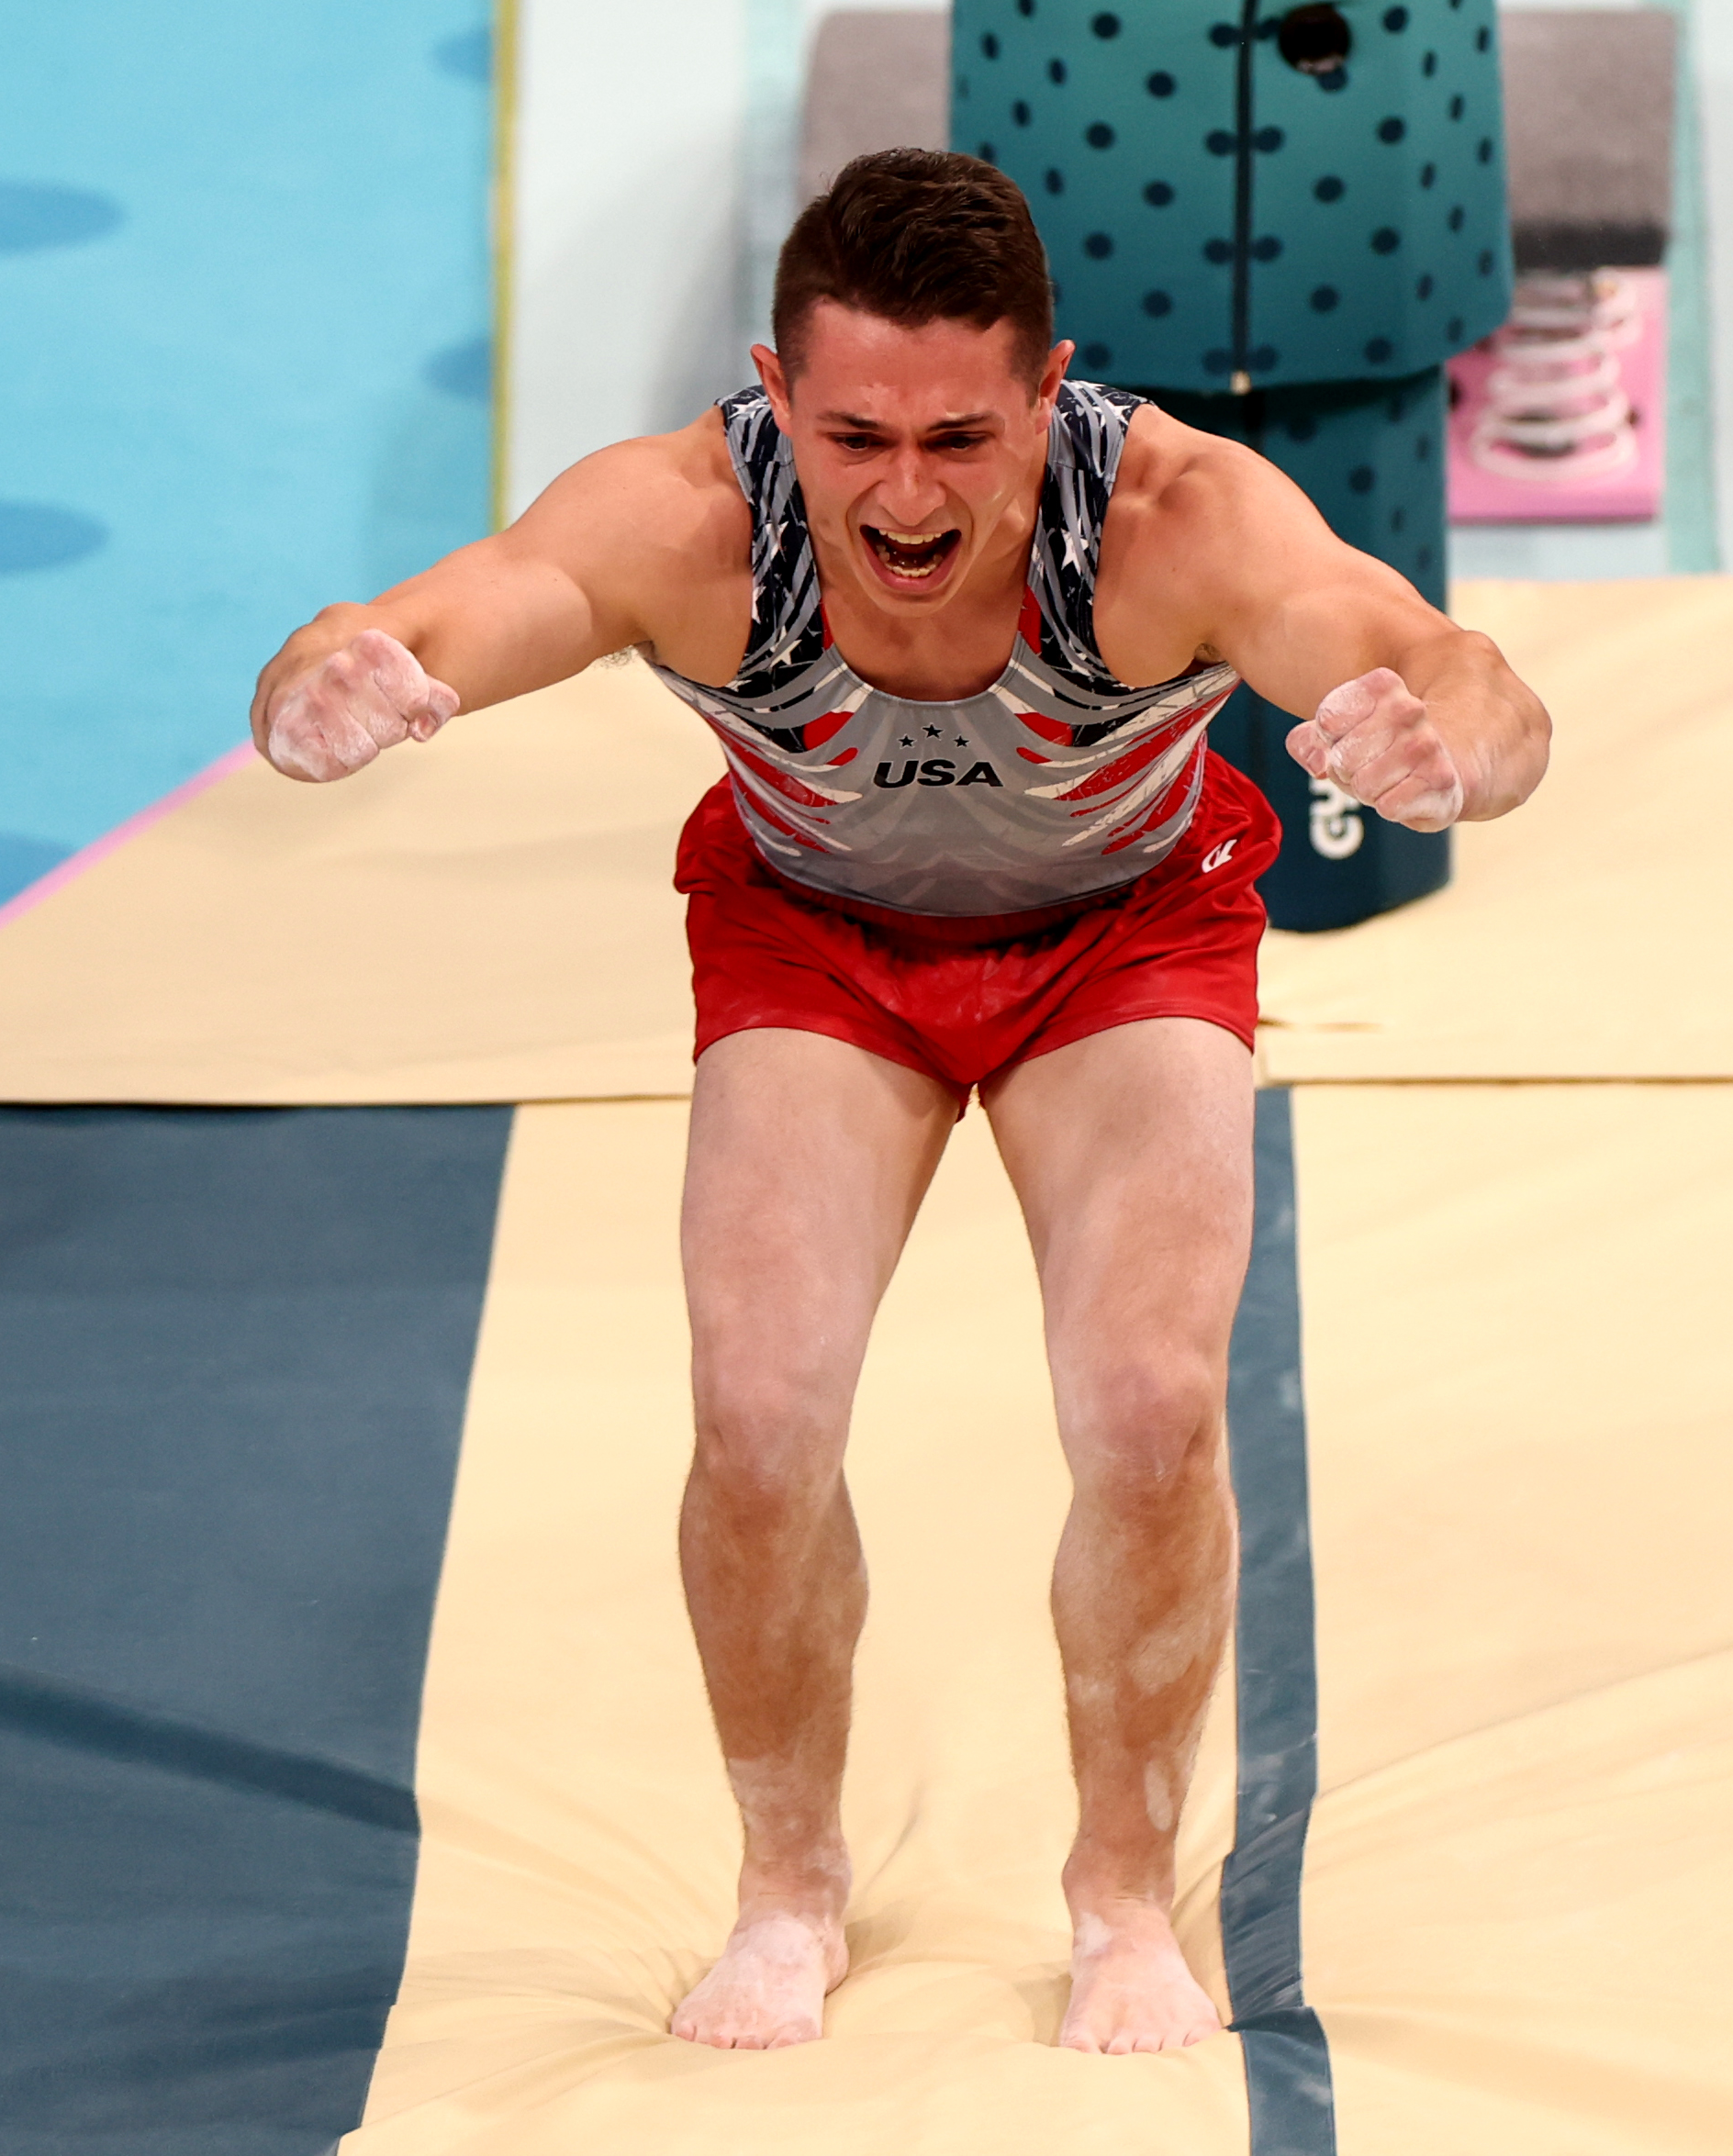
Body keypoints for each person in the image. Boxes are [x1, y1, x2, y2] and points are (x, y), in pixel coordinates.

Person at [249, 149, 1549, 2057]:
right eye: (853, 435)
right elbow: (439, 612)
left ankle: (1120, 1880)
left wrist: (1456, 743)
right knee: (759, 1419)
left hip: (1124, 933)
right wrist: (323, 690)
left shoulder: (1175, 515)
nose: (909, 496)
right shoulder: (686, 520)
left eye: (962, 433)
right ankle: (789, 1879)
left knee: (1148, 1406)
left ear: (1053, 392)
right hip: (815, 940)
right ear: (773, 400)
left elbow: (1444, 660)